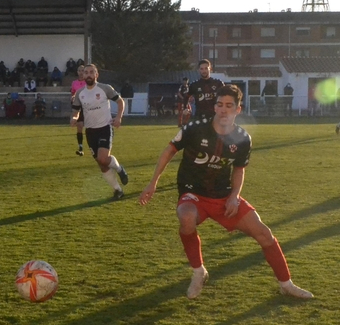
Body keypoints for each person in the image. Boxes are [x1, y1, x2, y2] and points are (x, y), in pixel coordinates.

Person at [139, 84, 313, 300]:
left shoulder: (242, 139)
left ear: (238, 109)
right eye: (220, 105)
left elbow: (239, 170)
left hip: (222, 196)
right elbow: (169, 151)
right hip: (193, 193)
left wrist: (234, 196)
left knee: (264, 234)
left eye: (229, 106)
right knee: (186, 216)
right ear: (214, 107)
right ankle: (198, 272)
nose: (223, 110)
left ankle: (286, 285)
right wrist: (153, 183)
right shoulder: (195, 128)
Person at [71, 64, 129, 200]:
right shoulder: (79, 93)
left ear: (96, 75)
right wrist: (73, 118)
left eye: (92, 72)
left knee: (103, 158)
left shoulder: (105, 88)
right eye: (86, 72)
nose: (89, 74)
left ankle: (119, 169)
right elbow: (75, 111)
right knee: (101, 163)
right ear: (83, 75)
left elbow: (120, 102)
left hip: (105, 128)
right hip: (90, 131)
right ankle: (118, 190)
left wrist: (118, 117)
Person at [70, 64, 87, 156]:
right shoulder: (74, 83)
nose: (81, 73)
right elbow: (73, 92)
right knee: (79, 126)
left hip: (88, 107)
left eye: (82, 71)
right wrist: (73, 97)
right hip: (78, 107)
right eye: (79, 71)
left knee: (90, 127)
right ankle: (80, 147)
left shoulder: (88, 82)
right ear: (77, 72)